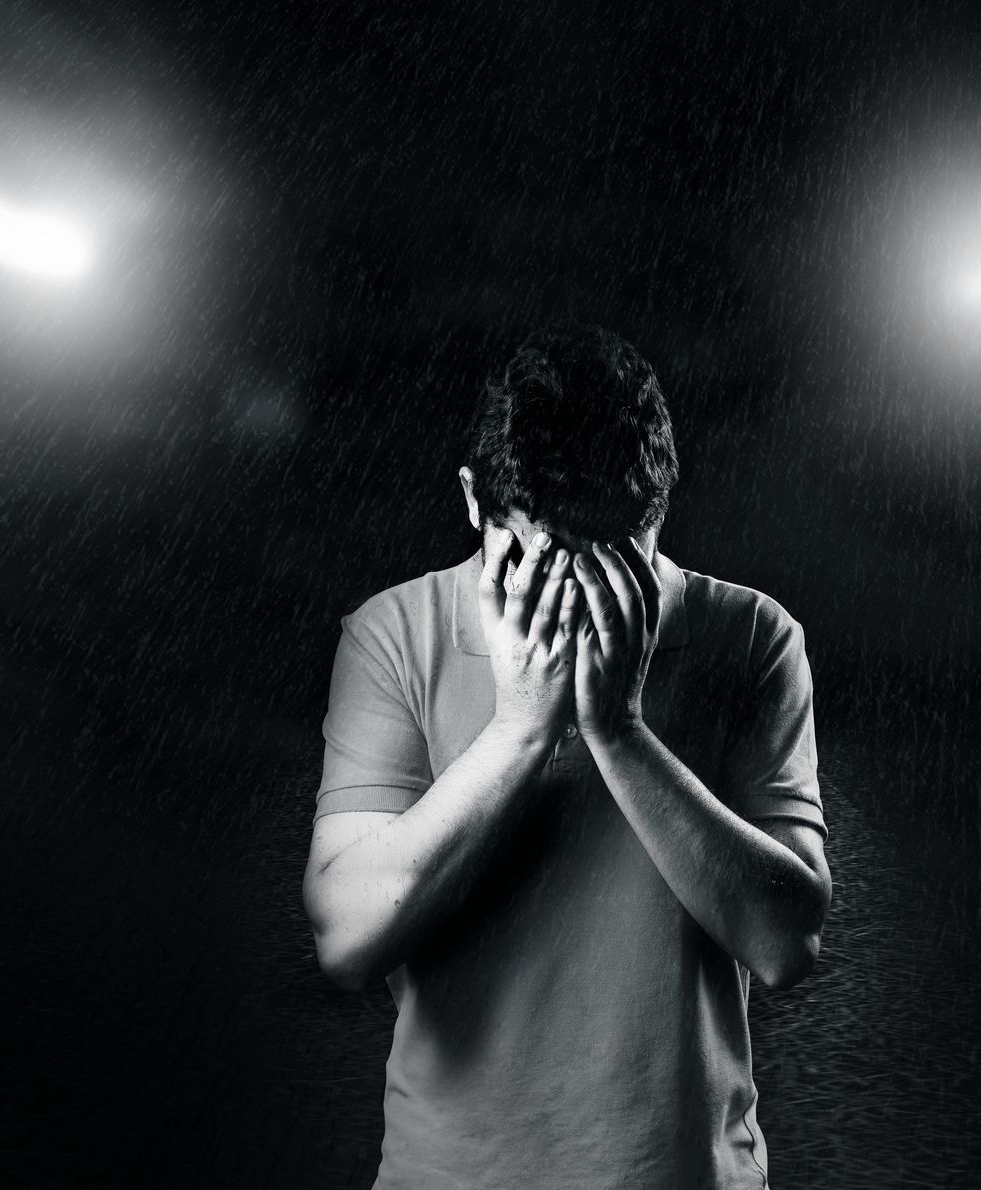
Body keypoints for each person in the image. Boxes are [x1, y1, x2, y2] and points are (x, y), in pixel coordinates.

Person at [301, 322, 832, 1190]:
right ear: (475, 502)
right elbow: (346, 940)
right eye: (540, 561)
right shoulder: (394, 633)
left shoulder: (754, 637)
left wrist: (619, 730)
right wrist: (521, 729)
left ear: (660, 505)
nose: (578, 601)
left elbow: (785, 944)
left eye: (617, 562)